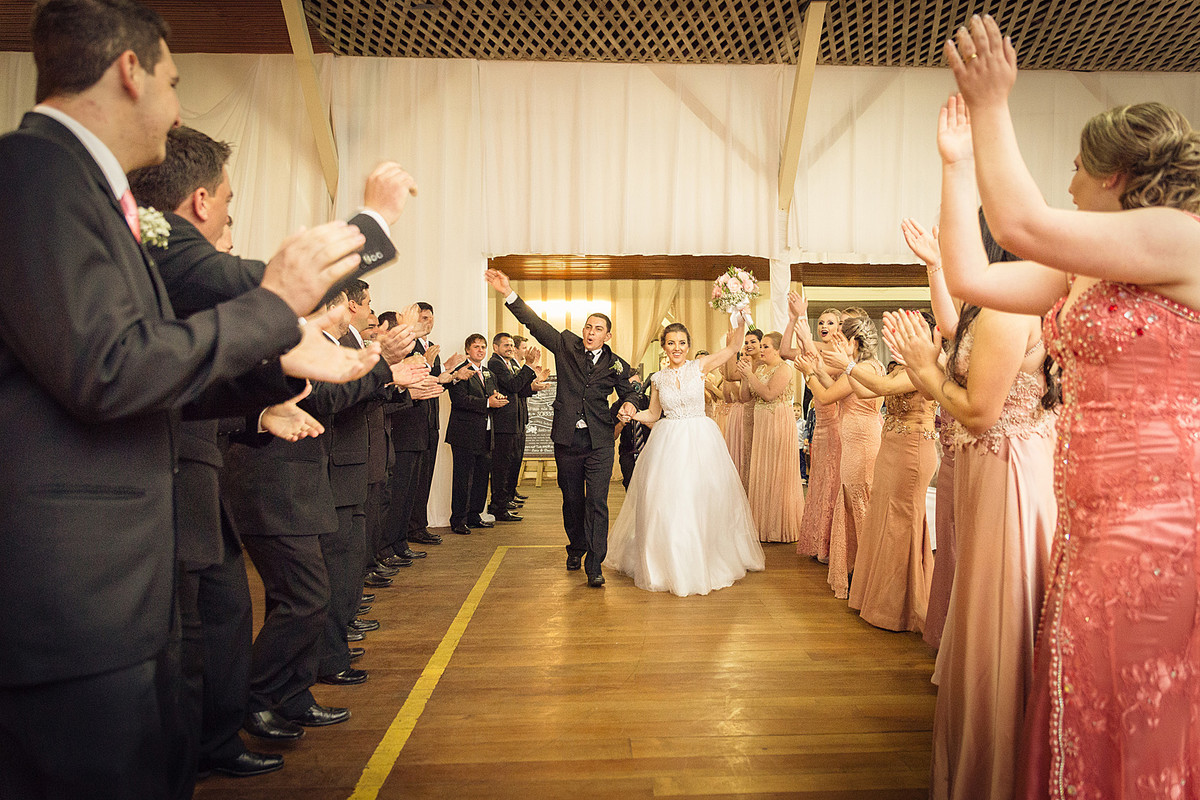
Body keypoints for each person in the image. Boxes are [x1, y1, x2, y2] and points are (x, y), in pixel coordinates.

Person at [0, 3, 379, 796]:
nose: (177, 110)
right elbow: (106, 368)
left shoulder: (87, 192)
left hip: (121, 581)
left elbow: (146, 378)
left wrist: (273, 374)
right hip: (74, 592)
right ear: (130, 71)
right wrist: (274, 307)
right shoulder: (33, 173)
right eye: (174, 83)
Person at [939, 16, 1200, 798]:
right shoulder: (1087, 271)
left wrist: (993, 105)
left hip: (1164, 517)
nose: (1069, 183)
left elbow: (1021, 223)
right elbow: (972, 278)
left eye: (1080, 169)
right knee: (1082, 687)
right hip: (1090, 517)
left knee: (1137, 699)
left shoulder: (1180, 238)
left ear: (1117, 176)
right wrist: (956, 167)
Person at [486, 268, 639, 587]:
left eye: (598, 328)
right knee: (572, 500)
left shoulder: (616, 363)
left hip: (599, 441)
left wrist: (628, 405)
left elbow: (631, 391)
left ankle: (595, 564)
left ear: (607, 336)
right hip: (568, 440)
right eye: (588, 326)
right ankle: (576, 546)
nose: (591, 331)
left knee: (597, 502)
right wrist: (508, 294)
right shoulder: (567, 345)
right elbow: (537, 325)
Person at [606, 320, 764, 596]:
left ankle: (701, 559)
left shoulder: (700, 367)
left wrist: (738, 315)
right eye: (671, 343)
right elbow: (654, 415)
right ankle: (666, 563)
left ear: (688, 346)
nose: (676, 348)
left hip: (700, 439)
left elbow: (733, 347)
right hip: (668, 441)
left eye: (681, 343)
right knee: (666, 502)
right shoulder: (657, 378)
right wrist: (631, 414)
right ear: (664, 347)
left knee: (698, 499)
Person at [822, 338, 938, 633]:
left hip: (913, 449)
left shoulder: (924, 369)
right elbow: (866, 389)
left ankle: (903, 606)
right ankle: (879, 598)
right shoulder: (899, 369)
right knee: (884, 519)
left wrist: (848, 363)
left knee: (902, 522)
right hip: (891, 447)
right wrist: (841, 367)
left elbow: (885, 389)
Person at [797, 315, 884, 598]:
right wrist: (815, 371)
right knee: (852, 500)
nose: (835, 346)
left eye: (841, 341)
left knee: (860, 501)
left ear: (853, 343)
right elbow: (834, 389)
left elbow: (824, 397)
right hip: (857, 440)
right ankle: (860, 566)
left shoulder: (864, 368)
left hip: (861, 442)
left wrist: (809, 374)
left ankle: (870, 572)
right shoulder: (864, 367)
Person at [782, 295, 845, 560]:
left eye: (830, 322)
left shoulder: (838, 353)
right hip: (819, 423)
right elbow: (785, 350)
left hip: (837, 423)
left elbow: (819, 367)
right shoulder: (817, 348)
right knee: (819, 481)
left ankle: (834, 545)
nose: (824, 326)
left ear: (841, 328)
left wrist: (807, 337)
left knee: (833, 481)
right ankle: (821, 542)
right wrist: (794, 317)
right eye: (821, 322)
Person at [738, 332, 806, 543]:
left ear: (777, 350)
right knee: (762, 470)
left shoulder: (784, 368)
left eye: (765, 346)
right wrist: (744, 375)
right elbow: (744, 397)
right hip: (761, 423)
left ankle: (779, 527)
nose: (761, 350)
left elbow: (769, 394)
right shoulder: (759, 368)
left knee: (777, 471)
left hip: (778, 421)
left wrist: (750, 376)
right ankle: (762, 525)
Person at [447, 333, 507, 534]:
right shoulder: (459, 372)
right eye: (476, 347)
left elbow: (491, 394)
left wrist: (497, 399)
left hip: (486, 431)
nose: (480, 350)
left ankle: (474, 515)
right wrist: (488, 402)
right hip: (464, 433)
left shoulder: (489, 373)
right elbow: (460, 400)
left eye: (483, 347)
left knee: (482, 477)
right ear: (467, 350)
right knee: (463, 478)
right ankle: (458, 520)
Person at [487, 331, 538, 521]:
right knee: (501, 467)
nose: (509, 348)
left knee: (508, 464)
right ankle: (498, 507)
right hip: (503, 424)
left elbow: (519, 389)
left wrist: (533, 385)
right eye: (505, 345)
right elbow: (513, 386)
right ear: (496, 347)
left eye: (511, 345)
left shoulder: (506, 363)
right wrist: (529, 366)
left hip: (513, 422)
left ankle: (503, 503)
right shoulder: (495, 363)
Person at [722, 328, 764, 489]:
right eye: (746, 343)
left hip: (761, 413)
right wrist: (731, 348)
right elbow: (729, 375)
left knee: (759, 457)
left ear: (761, 344)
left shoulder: (763, 363)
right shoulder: (747, 363)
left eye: (753, 342)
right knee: (747, 456)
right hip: (747, 414)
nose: (748, 345)